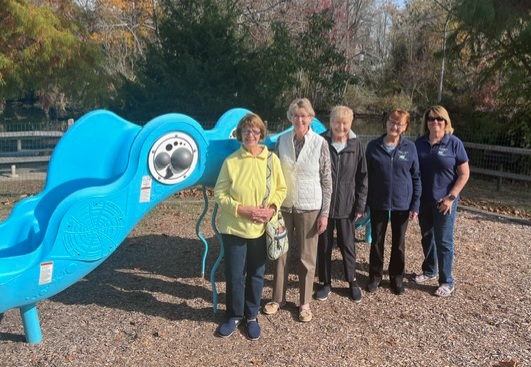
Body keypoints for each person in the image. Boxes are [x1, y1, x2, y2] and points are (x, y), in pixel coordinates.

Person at [214, 113, 287, 340]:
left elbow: (280, 189)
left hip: (261, 227)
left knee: (256, 273)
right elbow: (220, 194)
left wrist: (271, 209)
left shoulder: (271, 161)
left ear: (261, 134)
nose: (250, 135)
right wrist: (242, 210)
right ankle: (234, 315)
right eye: (246, 131)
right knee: (235, 274)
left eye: (255, 131)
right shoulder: (231, 162)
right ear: (239, 134)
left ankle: (252, 315)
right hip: (235, 227)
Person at [263, 98, 332, 322]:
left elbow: (327, 180)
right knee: (280, 253)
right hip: (283, 205)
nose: (299, 119)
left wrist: (325, 213)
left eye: (304, 115)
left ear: (311, 118)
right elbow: (270, 172)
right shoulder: (282, 140)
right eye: (295, 115)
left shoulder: (320, 143)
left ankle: (304, 303)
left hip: (310, 207)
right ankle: (278, 298)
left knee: (306, 257)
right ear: (291, 118)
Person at [414, 105, 470, 297]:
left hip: (444, 201)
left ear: (446, 122)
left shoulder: (454, 143)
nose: (435, 122)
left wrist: (451, 197)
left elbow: (464, 174)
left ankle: (447, 281)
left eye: (440, 119)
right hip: (424, 200)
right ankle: (430, 270)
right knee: (427, 237)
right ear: (426, 122)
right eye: (431, 119)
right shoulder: (419, 143)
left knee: (444, 240)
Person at [365, 109, 422, 295]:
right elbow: (366, 176)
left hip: (402, 203)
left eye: (399, 124)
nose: (394, 126)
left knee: (399, 243)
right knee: (377, 241)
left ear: (405, 127)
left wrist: (415, 204)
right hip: (378, 201)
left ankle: (396, 278)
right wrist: (364, 202)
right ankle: (375, 276)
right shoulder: (373, 146)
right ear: (386, 122)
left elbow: (416, 178)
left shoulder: (410, 148)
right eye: (392, 121)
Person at [315, 105, 368, 303]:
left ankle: (352, 280)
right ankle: (325, 282)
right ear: (330, 123)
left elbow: (363, 176)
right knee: (325, 244)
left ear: (350, 124)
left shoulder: (356, 144)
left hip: (348, 203)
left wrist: (361, 205)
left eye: (345, 123)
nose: (341, 127)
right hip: (324, 204)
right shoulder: (321, 141)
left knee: (347, 244)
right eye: (337, 122)